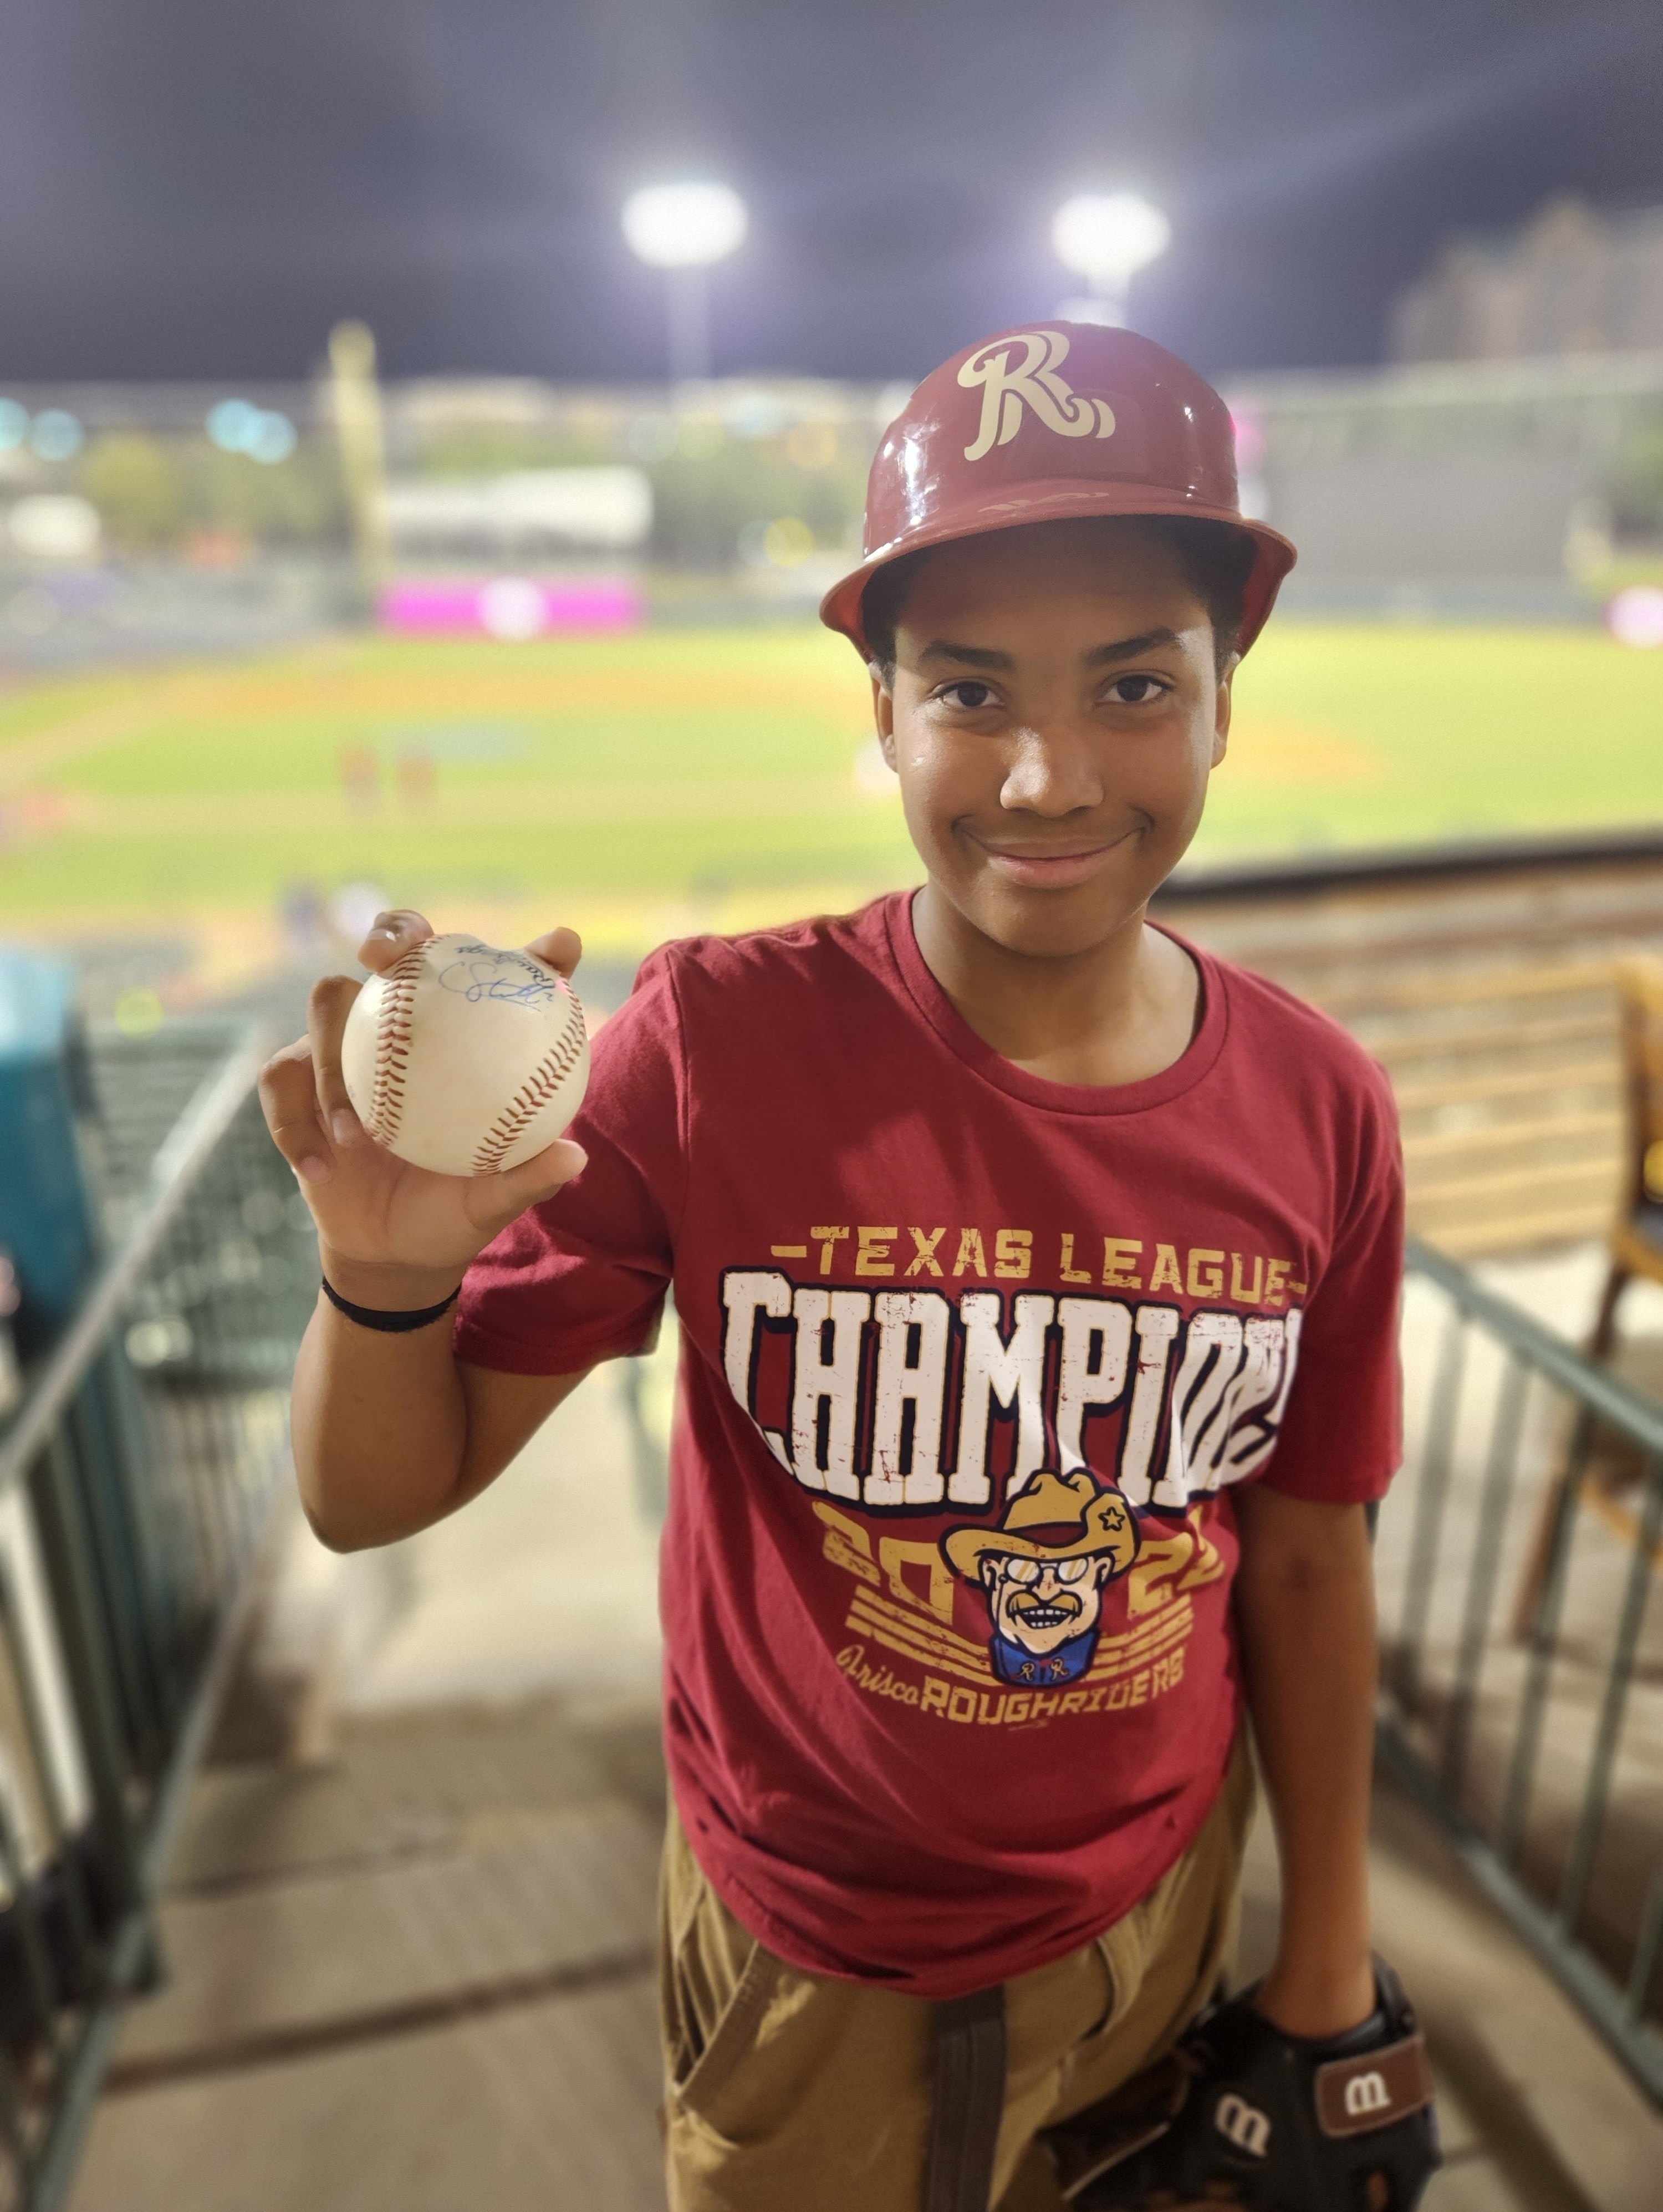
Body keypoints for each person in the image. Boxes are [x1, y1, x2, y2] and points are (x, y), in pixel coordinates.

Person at [261, 324, 1413, 2212]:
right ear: (880, 713)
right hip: (821, 1965)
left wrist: (1330, 1961)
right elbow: (370, 1497)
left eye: (1135, 683)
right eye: (970, 690)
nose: (1049, 774)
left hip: (1161, 1905)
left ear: (1224, 702)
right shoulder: (716, 1045)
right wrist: (385, 1281)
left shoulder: (1318, 1105)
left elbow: (1300, 1550)